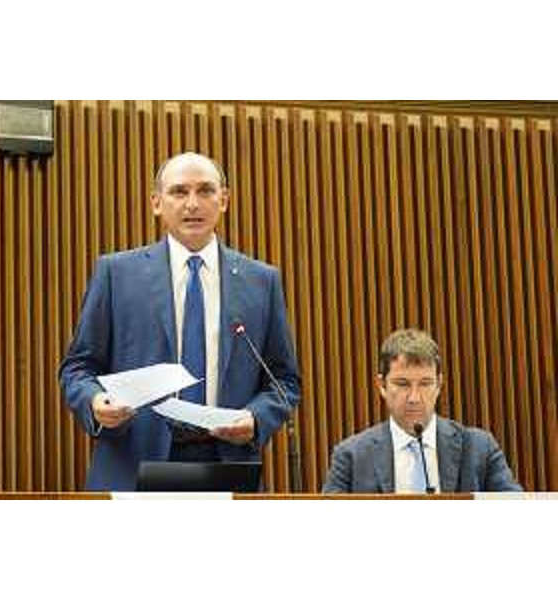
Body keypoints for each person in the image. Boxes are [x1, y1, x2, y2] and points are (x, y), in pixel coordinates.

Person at [59, 152, 300, 491]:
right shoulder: (116, 274)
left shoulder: (261, 281)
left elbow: (283, 380)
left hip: (226, 464)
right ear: (156, 203)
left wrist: (256, 419)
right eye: (179, 192)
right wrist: (96, 402)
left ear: (224, 200)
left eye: (205, 191)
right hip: (133, 463)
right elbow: (78, 367)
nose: (192, 204)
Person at [323, 328, 522, 493]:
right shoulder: (351, 456)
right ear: (382, 385)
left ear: (439, 385)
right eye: (402, 384)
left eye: (425, 384)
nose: (414, 398)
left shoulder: (479, 449)